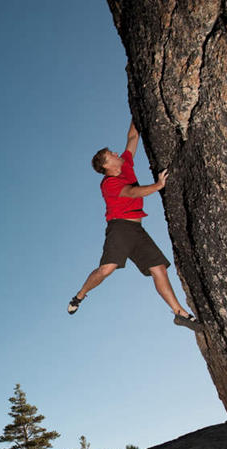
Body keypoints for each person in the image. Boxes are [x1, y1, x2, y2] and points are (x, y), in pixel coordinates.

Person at [67, 120, 202, 332]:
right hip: (120, 228)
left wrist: (135, 113)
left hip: (137, 230)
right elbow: (131, 192)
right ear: (106, 166)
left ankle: (180, 314)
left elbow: (133, 137)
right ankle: (80, 295)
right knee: (106, 269)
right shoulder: (109, 184)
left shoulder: (126, 164)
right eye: (110, 154)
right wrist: (158, 186)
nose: (115, 152)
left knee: (159, 270)